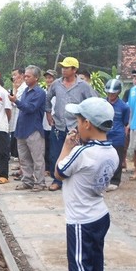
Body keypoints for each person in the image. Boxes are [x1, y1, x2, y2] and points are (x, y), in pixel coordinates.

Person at [56, 97, 118, 271]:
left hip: (81, 221)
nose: (76, 124)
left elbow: (59, 171)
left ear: (88, 125)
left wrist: (66, 145)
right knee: (94, 269)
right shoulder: (110, 151)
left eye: (79, 120)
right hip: (99, 216)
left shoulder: (82, 152)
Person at [45, 57, 96, 191]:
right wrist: (48, 113)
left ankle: (75, 181)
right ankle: (57, 181)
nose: (63, 70)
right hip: (59, 125)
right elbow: (47, 99)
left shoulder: (83, 86)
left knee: (76, 154)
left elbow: (94, 101)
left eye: (67, 68)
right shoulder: (56, 84)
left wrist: (86, 120)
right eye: (62, 67)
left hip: (76, 127)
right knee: (55, 154)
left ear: (74, 70)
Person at [9, 66, 46, 191]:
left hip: (33, 129)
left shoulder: (40, 93)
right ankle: (27, 181)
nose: (25, 78)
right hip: (22, 129)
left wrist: (17, 102)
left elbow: (31, 108)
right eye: (25, 76)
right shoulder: (25, 91)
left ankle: (40, 183)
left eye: (28, 76)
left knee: (37, 158)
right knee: (24, 159)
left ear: (36, 78)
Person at [103, 78, 130, 192]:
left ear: (118, 92)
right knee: (103, 158)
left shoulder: (124, 107)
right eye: (109, 92)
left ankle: (115, 181)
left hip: (118, 136)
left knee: (117, 159)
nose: (111, 95)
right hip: (104, 134)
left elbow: (125, 122)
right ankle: (104, 179)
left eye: (113, 93)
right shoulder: (102, 103)